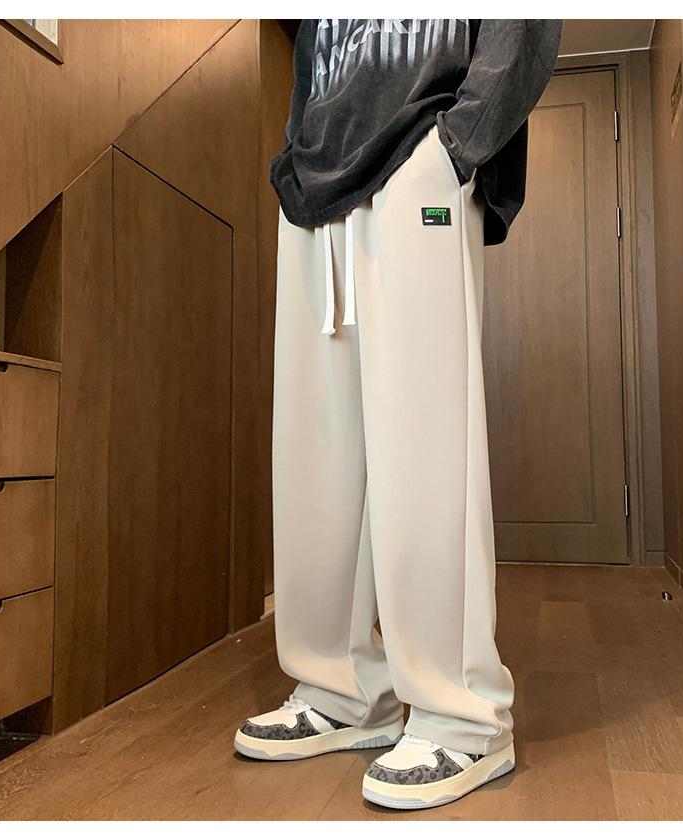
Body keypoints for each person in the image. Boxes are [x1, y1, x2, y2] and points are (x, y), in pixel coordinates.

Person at [234, 18, 562, 810]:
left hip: (420, 150)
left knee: (426, 445)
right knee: (317, 452)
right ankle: (343, 689)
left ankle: (461, 714)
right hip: (314, 186)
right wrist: (295, 155)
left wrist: (457, 145)